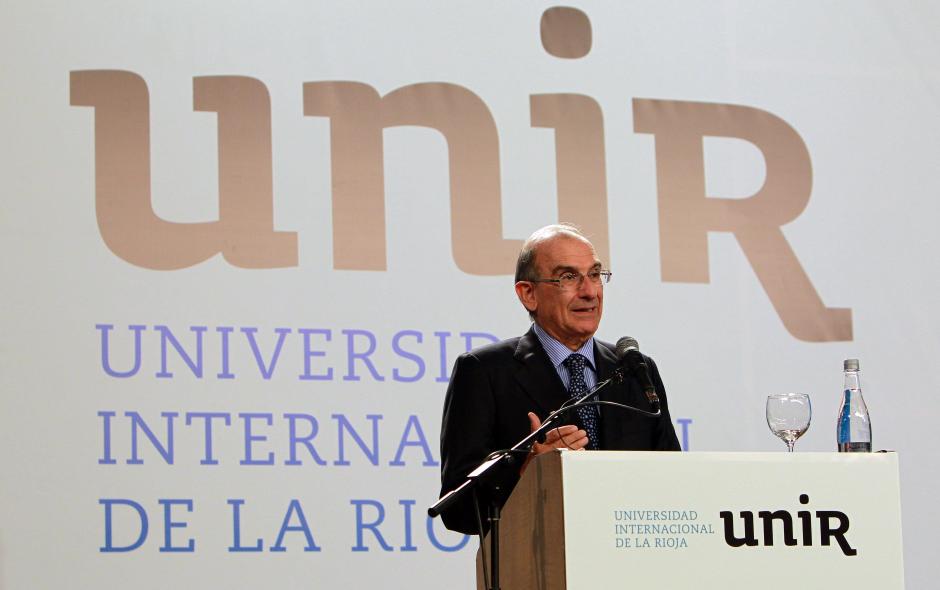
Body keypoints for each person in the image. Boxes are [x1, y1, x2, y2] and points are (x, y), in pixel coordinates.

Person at [438, 223, 681, 534]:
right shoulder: (484, 372)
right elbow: (457, 510)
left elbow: (672, 483)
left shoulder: (635, 369)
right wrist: (527, 473)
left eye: (595, 275)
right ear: (528, 294)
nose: (590, 291)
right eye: (569, 277)